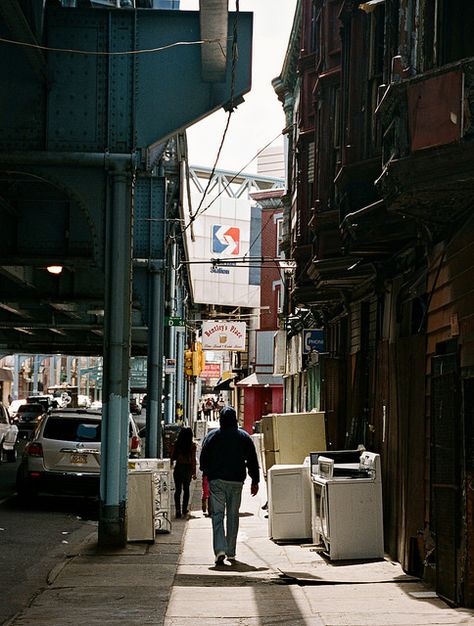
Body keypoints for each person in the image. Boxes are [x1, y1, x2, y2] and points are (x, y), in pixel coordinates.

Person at [200, 405, 260, 565]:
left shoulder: (212, 436)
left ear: (220, 420)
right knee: (233, 516)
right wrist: (255, 480)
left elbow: (203, 457)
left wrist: (207, 474)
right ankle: (231, 552)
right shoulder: (243, 437)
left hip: (217, 482)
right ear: (235, 420)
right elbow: (252, 460)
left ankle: (219, 549)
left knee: (218, 516)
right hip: (236, 482)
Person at [170, 427, 197, 518]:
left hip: (178, 468)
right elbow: (193, 459)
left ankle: (178, 510)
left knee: (178, 490)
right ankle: (184, 509)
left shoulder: (177, 444)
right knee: (186, 489)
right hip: (188, 469)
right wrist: (194, 472)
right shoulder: (192, 445)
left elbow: (172, 456)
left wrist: (170, 464)